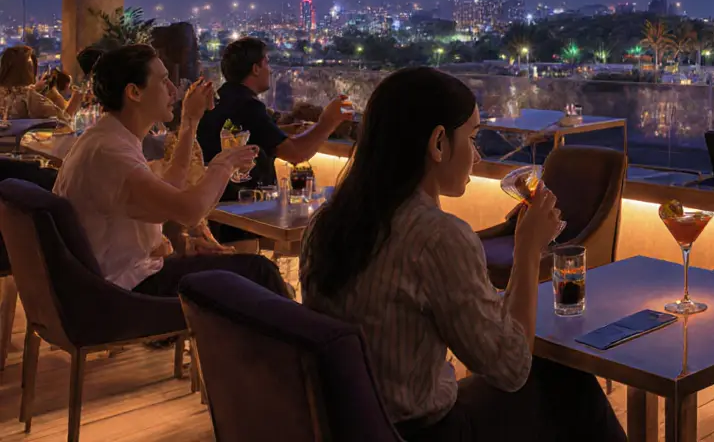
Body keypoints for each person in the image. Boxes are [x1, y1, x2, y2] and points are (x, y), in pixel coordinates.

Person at [301, 67, 626, 442]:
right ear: (438, 143)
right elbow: (511, 368)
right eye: (471, 138)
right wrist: (527, 251)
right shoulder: (439, 238)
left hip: (349, 423)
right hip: (420, 432)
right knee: (564, 377)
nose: (475, 155)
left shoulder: (325, 222)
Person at [53, 44, 290, 298]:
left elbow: (171, 189)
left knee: (251, 276)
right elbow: (188, 211)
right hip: (121, 293)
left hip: (110, 282)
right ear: (134, 92)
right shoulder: (109, 151)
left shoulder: (106, 137)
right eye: (163, 81)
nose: (173, 90)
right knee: (259, 272)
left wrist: (190, 121)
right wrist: (225, 163)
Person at [197, 37, 353, 200]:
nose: (270, 70)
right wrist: (329, 121)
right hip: (244, 207)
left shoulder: (219, 101)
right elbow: (296, 154)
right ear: (256, 68)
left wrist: (283, 131)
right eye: (267, 63)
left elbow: (247, 134)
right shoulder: (248, 106)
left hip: (216, 206)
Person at [0, 45, 83, 121]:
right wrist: (76, 98)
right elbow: (64, 121)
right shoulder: (30, 98)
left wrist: (35, 88)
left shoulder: (5, 93)